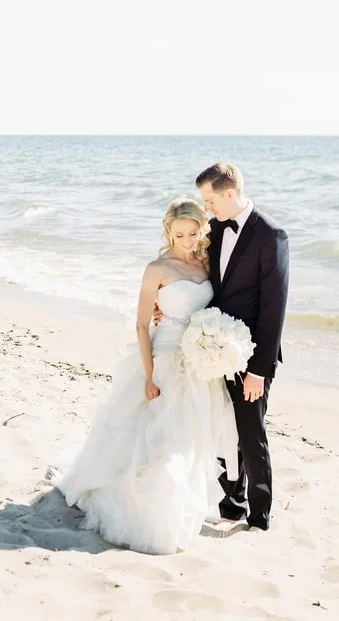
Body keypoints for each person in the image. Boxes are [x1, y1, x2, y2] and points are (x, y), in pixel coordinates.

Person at [51, 198, 237, 555]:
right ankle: (152, 513)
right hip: (164, 359)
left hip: (199, 362)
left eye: (193, 233)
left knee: (190, 440)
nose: (186, 240)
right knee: (157, 441)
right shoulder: (157, 268)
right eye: (179, 233)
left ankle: (184, 501)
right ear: (168, 232)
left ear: (202, 231)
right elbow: (140, 324)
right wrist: (149, 377)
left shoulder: (206, 263)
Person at [196, 163, 289, 532]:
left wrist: (259, 370)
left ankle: (259, 516)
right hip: (214, 347)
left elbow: (274, 309)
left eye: (210, 200)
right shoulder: (215, 230)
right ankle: (231, 504)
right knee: (222, 428)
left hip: (252, 355)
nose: (206, 209)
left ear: (229, 194)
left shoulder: (271, 236)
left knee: (251, 432)